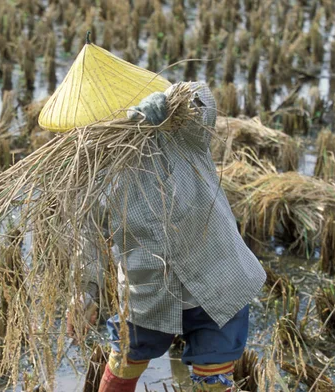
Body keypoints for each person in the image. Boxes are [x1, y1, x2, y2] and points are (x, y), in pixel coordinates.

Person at [67, 82, 267, 392]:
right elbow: (88, 242)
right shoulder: (95, 175)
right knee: (123, 366)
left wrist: (172, 99)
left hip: (217, 285)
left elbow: (203, 100)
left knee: (212, 383)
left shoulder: (180, 136)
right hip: (146, 295)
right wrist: (84, 292)